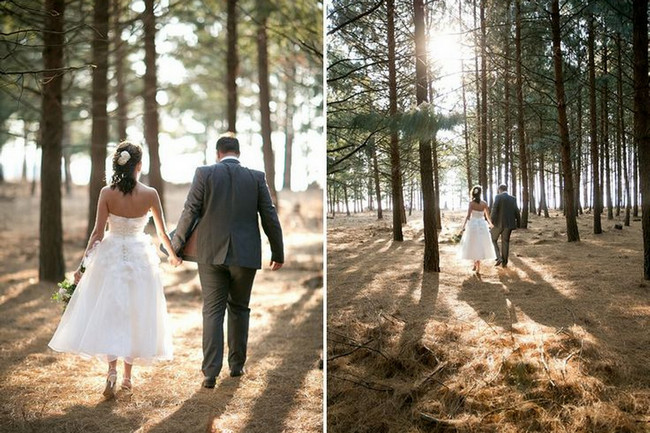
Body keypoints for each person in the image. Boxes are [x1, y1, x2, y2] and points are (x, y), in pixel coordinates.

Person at [49, 141, 180, 398]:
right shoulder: (150, 193)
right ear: (139, 165)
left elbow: (97, 233)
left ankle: (111, 371)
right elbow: (163, 233)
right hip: (139, 257)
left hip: (108, 256)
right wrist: (174, 256)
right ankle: (128, 379)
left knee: (111, 311)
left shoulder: (106, 193)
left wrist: (82, 267)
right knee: (135, 312)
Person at [172, 134, 284, 389]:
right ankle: (236, 366)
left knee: (212, 310)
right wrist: (278, 252)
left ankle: (210, 373)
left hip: (209, 254)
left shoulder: (204, 173)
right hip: (245, 255)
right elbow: (270, 215)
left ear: (218, 153)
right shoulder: (256, 177)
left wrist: (175, 248)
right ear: (238, 153)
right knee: (240, 309)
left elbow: (189, 211)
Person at [458, 185, 496, 275]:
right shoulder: (484, 203)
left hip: (473, 225)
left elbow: (468, 216)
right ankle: (477, 266)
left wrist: (463, 226)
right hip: (482, 225)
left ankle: (475, 264)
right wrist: (490, 224)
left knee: (473, 244)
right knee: (480, 244)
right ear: (480, 193)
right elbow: (487, 216)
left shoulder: (471, 203)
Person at [490, 183, 521, 267]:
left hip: (498, 224)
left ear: (500, 190)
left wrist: (491, 222)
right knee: (505, 242)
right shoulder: (513, 198)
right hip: (509, 225)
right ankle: (504, 263)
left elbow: (494, 210)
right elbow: (516, 211)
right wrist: (518, 223)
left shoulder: (498, 197)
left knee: (492, 239)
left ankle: (499, 257)